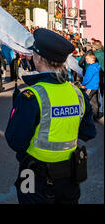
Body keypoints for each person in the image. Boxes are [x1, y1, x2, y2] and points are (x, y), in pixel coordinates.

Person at [5, 28, 97, 204]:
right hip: (69, 174)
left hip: (31, 172)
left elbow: (15, 141)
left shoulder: (30, 96)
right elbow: (89, 133)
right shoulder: (78, 93)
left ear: (38, 58)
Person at [80, 53, 101, 121]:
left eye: (87, 59)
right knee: (94, 102)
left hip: (90, 87)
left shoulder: (90, 68)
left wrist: (83, 84)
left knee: (85, 100)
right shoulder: (97, 66)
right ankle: (95, 116)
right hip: (95, 87)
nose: (86, 60)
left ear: (92, 59)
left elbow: (87, 78)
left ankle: (84, 116)